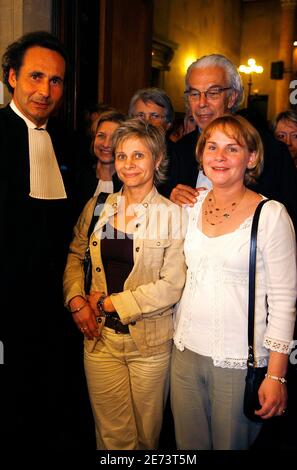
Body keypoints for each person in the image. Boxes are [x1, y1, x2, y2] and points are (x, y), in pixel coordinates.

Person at [171, 114, 297, 450]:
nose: (219, 157)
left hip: (239, 362)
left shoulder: (271, 215)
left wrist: (276, 375)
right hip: (183, 354)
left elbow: (284, 302)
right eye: (212, 147)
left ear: (251, 157)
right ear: (201, 155)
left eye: (232, 148)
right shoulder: (189, 206)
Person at [63, 119, 186, 450]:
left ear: (157, 159)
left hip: (149, 346)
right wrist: (77, 301)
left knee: (146, 440)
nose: (128, 165)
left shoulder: (173, 215)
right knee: (111, 438)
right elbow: (76, 256)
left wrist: (109, 303)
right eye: (121, 156)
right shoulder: (99, 206)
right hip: (99, 341)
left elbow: (172, 285)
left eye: (138, 156)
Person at [0, 31, 87, 448]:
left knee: (57, 408)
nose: (45, 90)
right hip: (5, 307)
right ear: (12, 77)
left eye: (55, 81)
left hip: (61, 305)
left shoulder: (71, 142)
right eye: (36, 76)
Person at [167, 54, 297, 232]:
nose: (201, 103)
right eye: (194, 94)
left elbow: (288, 222)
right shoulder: (179, 150)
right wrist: (172, 200)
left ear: (232, 97)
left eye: (212, 93)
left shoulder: (271, 151)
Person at [129, 87, 175, 197]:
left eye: (154, 116)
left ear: (168, 124)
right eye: (140, 115)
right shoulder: (121, 154)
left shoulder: (181, 158)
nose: (146, 122)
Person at [77, 110, 125, 212]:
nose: (106, 144)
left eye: (114, 138)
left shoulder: (130, 185)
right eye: (101, 136)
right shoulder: (77, 179)